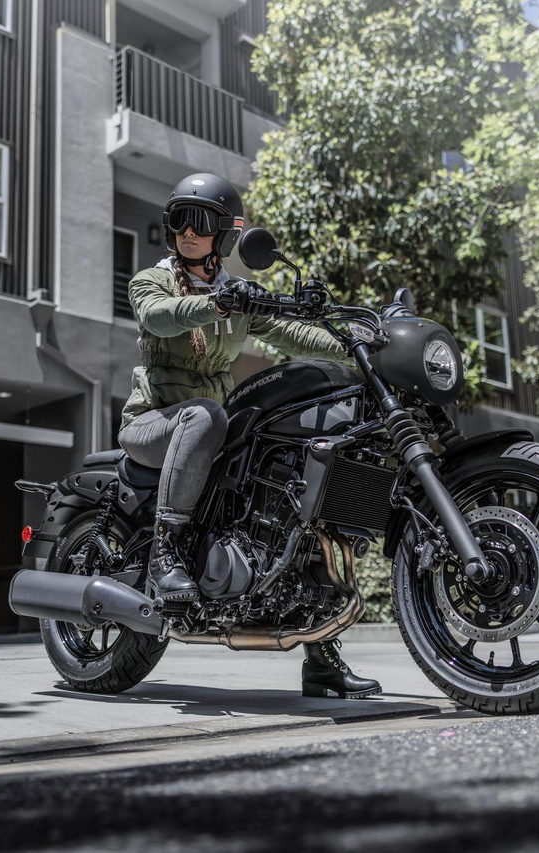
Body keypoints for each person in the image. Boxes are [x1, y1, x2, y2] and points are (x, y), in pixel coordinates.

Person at [116, 173, 381, 699]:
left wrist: (359, 343)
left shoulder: (237, 295)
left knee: (294, 479)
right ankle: (166, 552)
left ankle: (321, 656)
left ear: (226, 234)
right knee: (205, 416)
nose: (189, 232)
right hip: (155, 424)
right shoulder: (153, 281)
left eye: (202, 222)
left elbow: (293, 334)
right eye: (180, 220)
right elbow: (160, 318)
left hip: (210, 431)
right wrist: (220, 303)